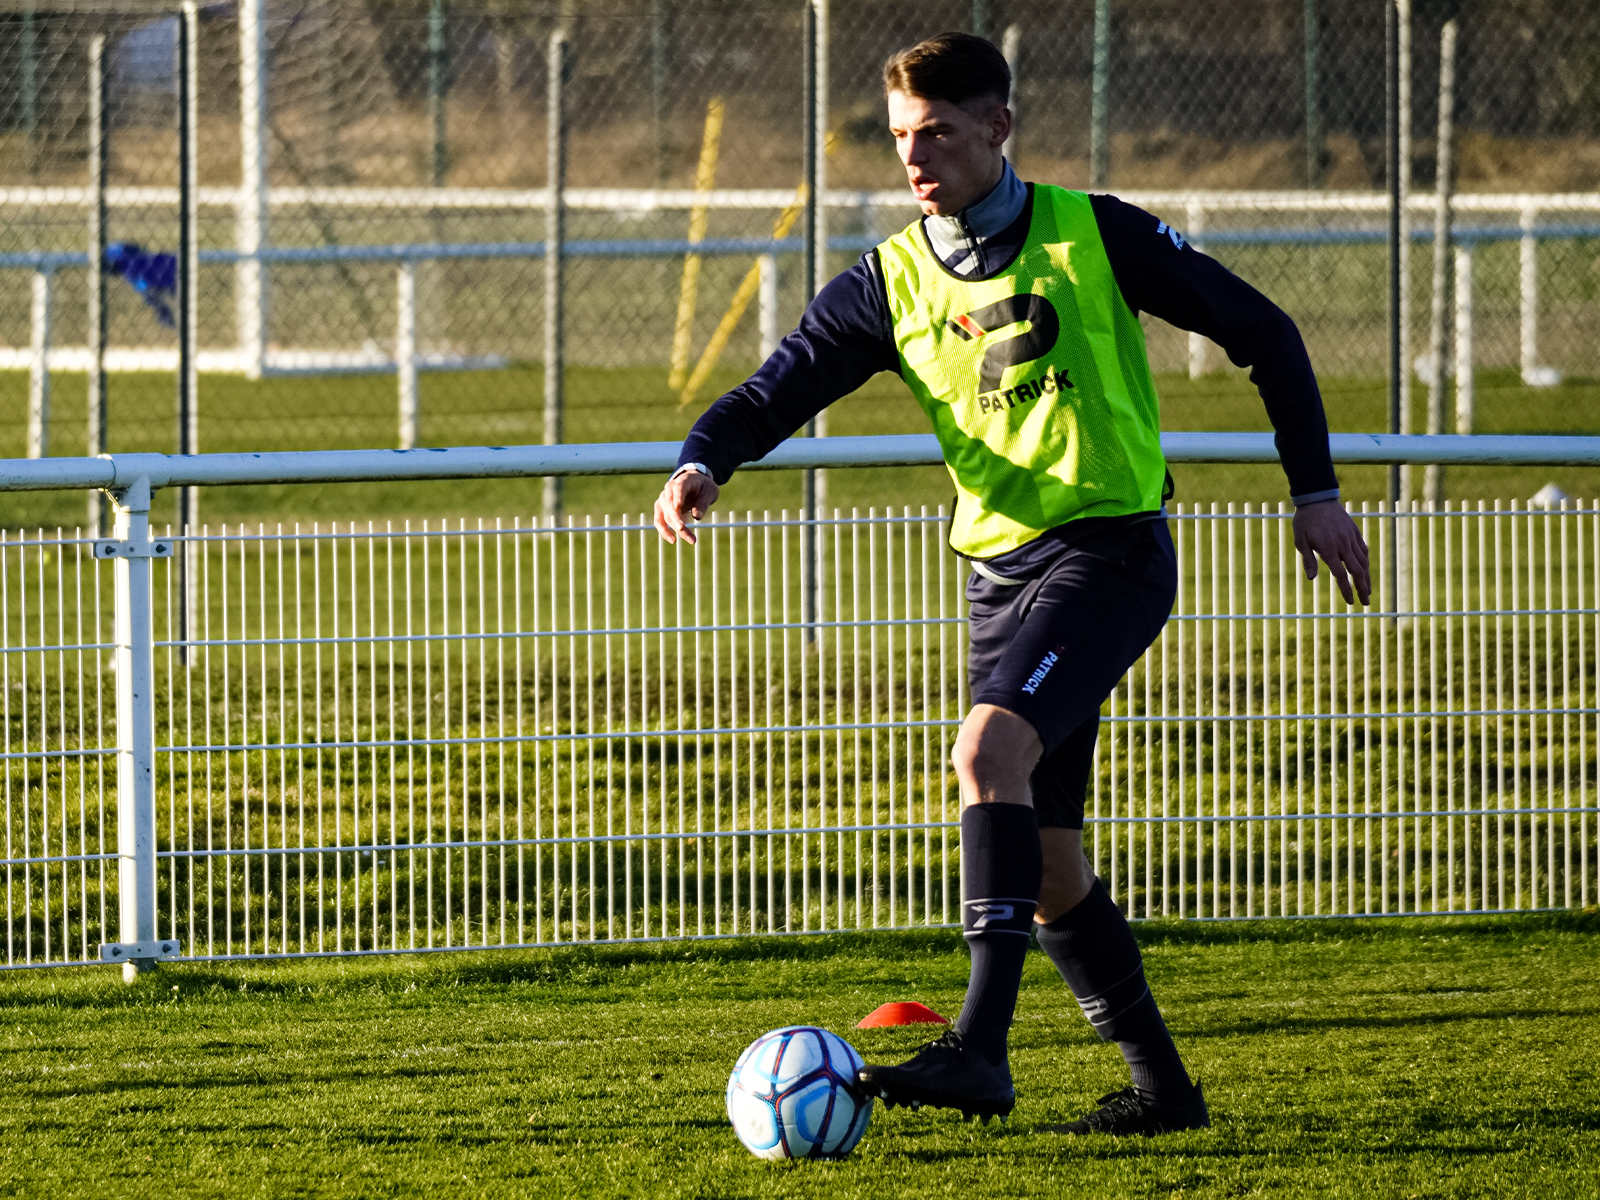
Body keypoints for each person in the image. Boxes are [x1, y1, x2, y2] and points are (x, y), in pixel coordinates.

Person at [654, 31, 1371, 1136]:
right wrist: (705, 458)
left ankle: (979, 1052)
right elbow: (778, 384)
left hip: (1108, 553)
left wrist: (1313, 490)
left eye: (936, 130)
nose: (915, 156)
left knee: (985, 754)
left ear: (999, 124)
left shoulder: (1099, 232)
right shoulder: (888, 279)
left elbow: (1263, 331)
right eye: (900, 135)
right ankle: (1163, 1094)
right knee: (1048, 868)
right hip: (1000, 582)